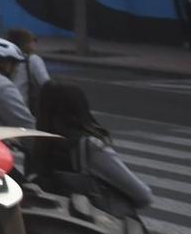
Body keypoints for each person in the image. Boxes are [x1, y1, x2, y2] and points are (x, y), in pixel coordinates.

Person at [37, 80, 153, 222]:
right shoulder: (89, 147)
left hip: (60, 225)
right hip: (97, 227)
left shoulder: (39, 144)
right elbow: (143, 195)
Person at [6, 28, 50, 115]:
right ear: (26, 43)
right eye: (33, 40)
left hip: (4, 106)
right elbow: (46, 83)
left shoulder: (4, 59)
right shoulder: (33, 60)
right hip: (24, 108)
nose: (35, 42)